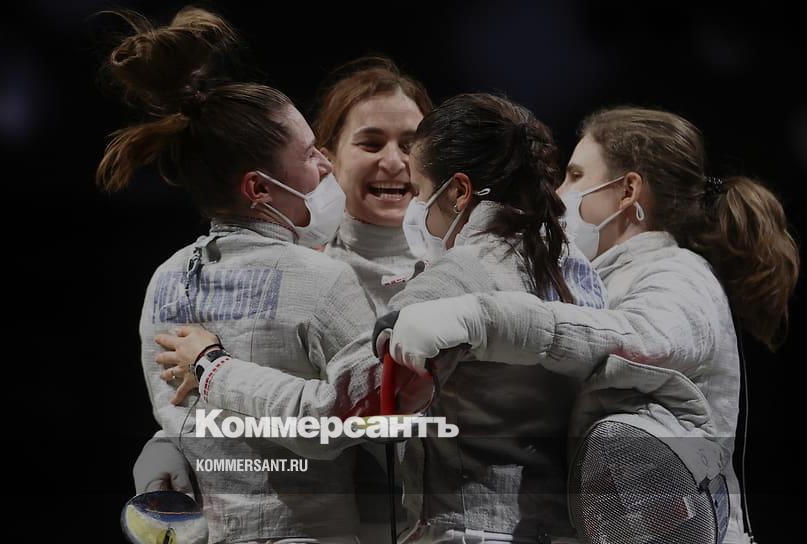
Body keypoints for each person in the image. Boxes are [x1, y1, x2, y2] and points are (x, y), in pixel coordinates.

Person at [156, 93, 607, 543]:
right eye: (371, 143)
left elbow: (329, 418)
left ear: (458, 192)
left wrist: (212, 368)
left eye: (420, 190)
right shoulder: (571, 264)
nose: (411, 199)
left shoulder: (452, 279)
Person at [381, 106, 801, 544]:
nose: (559, 193)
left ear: (627, 191)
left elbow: (637, 340)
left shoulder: (679, 274)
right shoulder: (599, 281)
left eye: (576, 176)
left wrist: (479, 318)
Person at [97, 7, 383, 543]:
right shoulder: (322, 279)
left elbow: (181, 421)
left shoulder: (164, 281)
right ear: (259, 189)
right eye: (309, 154)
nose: (325, 165)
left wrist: (165, 443)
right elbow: (357, 419)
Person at [315, 57, 432, 314]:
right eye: (371, 144)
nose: (393, 162)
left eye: (409, 146)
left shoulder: (469, 266)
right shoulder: (302, 272)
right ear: (329, 161)